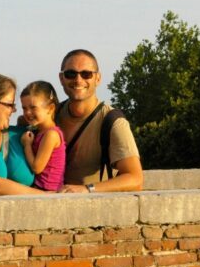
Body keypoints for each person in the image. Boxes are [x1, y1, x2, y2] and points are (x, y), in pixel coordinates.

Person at [55, 49, 143, 193]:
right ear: (61, 78)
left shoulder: (112, 121)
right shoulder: (52, 115)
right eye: (71, 74)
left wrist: (86, 189)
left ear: (98, 78)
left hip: (95, 210)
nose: (78, 80)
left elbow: (135, 179)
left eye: (86, 74)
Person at [19, 81, 66, 191]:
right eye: (24, 108)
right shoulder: (40, 131)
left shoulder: (51, 135)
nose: (28, 113)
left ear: (50, 108)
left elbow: (37, 167)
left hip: (49, 191)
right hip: (41, 189)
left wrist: (27, 145)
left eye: (33, 107)